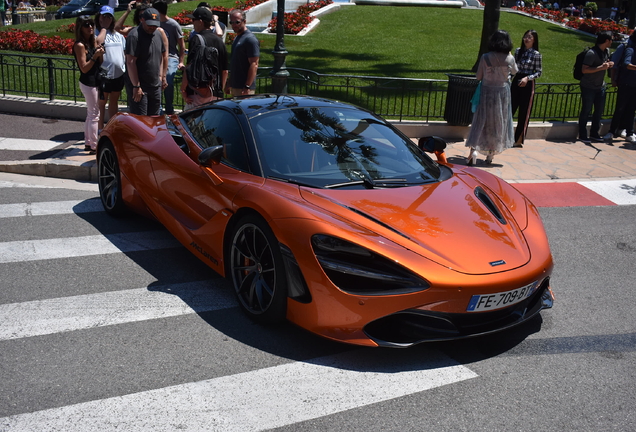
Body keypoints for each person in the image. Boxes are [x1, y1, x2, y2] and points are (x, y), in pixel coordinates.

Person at [465, 30, 518, 166]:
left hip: (486, 91)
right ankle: (491, 154)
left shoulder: (486, 57)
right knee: (498, 123)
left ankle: (473, 151)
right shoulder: (510, 58)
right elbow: (515, 71)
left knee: (480, 120)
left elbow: (478, 77)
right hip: (502, 93)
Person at [180, 6, 228, 110]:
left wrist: (183, 90)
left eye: (194, 20)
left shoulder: (196, 39)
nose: (193, 23)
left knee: (191, 124)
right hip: (215, 95)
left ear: (200, 21)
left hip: (196, 93)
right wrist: (219, 90)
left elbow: (189, 68)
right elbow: (225, 71)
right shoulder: (220, 41)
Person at [124, 7, 168, 115]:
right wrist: (136, 86)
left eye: (155, 24)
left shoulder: (158, 34)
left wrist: (162, 76)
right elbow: (130, 62)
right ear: (142, 20)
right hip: (140, 87)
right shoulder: (134, 36)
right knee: (141, 122)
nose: (152, 27)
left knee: (154, 119)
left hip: (154, 85)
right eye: (149, 24)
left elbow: (161, 56)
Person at [73, 15, 105, 154]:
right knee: (94, 115)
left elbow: (100, 63)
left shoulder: (92, 42)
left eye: (92, 24)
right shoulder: (79, 45)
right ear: (80, 28)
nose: (90, 27)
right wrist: (94, 56)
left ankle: (88, 142)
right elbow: (84, 68)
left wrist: (100, 54)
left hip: (95, 80)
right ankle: (94, 145)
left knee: (90, 114)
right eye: (86, 25)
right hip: (88, 82)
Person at [578, 31, 613, 145]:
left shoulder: (606, 52)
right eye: (611, 40)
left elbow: (604, 65)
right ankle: (583, 134)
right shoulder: (591, 53)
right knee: (586, 110)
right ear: (606, 41)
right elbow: (585, 70)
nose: (612, 42)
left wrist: (608, 65)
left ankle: (594, 133)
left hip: (600, 87)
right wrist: (601, 68)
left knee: (599, 111)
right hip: (588, 86)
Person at [95, 5, 126, 130]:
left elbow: (123, 51)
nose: (106, 19)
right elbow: (98, 43)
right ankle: (100, 129)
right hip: (104, 74)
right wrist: (103, 28)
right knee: (101, 103)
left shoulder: (118, 35)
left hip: (118, 74)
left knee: (114, 101)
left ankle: (112, 128)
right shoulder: (97, 33)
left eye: (109, 17)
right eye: (104, 16)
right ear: (99, 17)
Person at [152, 0, 185, 115]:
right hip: (157, 56)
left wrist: (181, 61)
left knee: (169, 78)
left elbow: (182, 45)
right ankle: (158, 109)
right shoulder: (153, 23)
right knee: (156, 80)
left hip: (171, 56)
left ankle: (169, 108)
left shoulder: (173, 25)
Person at [511, 30, 542, 147]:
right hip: (516, 80)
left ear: (534, 40)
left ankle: (518, 139)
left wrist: (527, 78)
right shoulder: (518, 51)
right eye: (526, 36)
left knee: (524, 112)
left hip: (527, 83)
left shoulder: (536, 54)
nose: (527, 39)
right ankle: (505, 136)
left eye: (530, 37)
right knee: (510, 109)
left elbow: (539, 72)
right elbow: (513, 68)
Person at [605, 32, 636, 143]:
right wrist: (613, 80)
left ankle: (629, 133)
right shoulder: (629, 49)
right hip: (626, 84)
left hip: (634, 85)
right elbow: (625, 64)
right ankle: (611, 132)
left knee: (631, 110)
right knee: (620, 108)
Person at [225, 8, 259, 97]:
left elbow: (254, 64)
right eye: (231, 22)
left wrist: (247, 86)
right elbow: (234, 63)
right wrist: (229, 82)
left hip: (245, 88)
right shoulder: (237, 38)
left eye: (237, 22)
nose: (234, 25)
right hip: (235, 86)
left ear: (244, 21)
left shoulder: (250, 39)